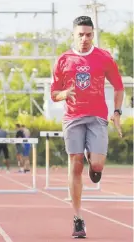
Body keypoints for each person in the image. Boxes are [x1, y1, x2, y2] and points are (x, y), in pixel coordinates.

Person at [51, 16, 124, 238]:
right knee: (75, 165)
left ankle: (94, 164)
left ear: (93, 34)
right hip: (73, 118)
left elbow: (119, 87)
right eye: (80, 34)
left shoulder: (103, 58)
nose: (84, 38)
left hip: (97, 117)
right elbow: (54, 93)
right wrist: (64, 94)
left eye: (88, 34)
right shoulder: (63, 60)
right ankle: (78, 218)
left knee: (98, 165)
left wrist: (117, 113)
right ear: (73, 34)